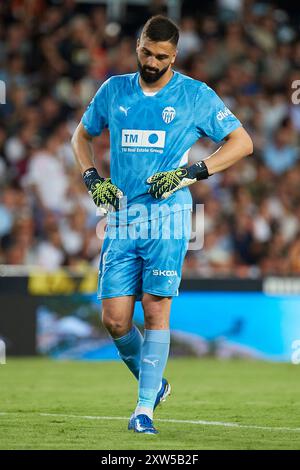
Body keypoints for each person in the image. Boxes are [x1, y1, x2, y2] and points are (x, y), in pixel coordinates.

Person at [71, 15, 253, 435]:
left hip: (169, 218)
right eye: (147, 53)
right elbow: (81, 136)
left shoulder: (194, 95)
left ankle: (143, 411)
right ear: (138, 46)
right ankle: (156, 384)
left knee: (156, 311)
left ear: (175, 55)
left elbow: (242, 142)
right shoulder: (113, 90)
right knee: (115, 319)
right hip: (122, 217)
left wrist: (191, 172)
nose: (153, 62)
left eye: (162, 57)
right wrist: (91, 177)